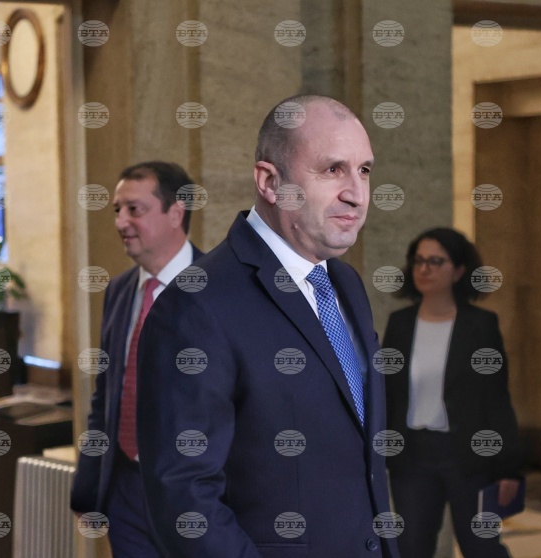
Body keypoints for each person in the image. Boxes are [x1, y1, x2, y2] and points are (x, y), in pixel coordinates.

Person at [136, 95, 399, 557]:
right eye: (333, 169)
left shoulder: (345, 285)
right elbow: (184, 498)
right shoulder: (195, 305)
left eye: (364, 170)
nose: (357, 194)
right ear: (270, 182)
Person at [70, 161, 204, 557]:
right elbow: (106, 395)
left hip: (194, 494)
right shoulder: (119, 290)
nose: (121, 222)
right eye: (117, 210)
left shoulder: (218, 289)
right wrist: (89, 485)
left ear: (176, 212)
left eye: (135, 209)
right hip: (126, 490)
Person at [382, 227, 523, 557]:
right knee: (411, 548)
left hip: (468, 455)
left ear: (459, 270)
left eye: (435, 261)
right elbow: (388, 393)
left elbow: (497, 398)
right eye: (418, 261)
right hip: (412, 456)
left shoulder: (480, 326)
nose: (424, 269)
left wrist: (508, 468)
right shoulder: (400, 324)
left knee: (481, 547)